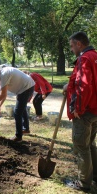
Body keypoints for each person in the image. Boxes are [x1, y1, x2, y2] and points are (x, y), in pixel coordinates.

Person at [63, 32, 97, 192]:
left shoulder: (84, 58)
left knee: (82, 146)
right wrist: (67, 87)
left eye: (71, 45)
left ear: (78, 43)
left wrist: (78, 109)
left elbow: (84, 85)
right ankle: (94, 177)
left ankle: (83, 184)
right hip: (95, 110)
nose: (71, 49)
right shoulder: (95, 56)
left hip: (86, 111)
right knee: (90, 145)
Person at [0, 67, 34, 141]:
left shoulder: (4, 75)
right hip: (26, 87)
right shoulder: (2, 75)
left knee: (17, 112)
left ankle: (18, 136)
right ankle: (26, 129)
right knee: (21, 110)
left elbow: (3, 94)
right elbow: (4, 94)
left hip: (26, 88)